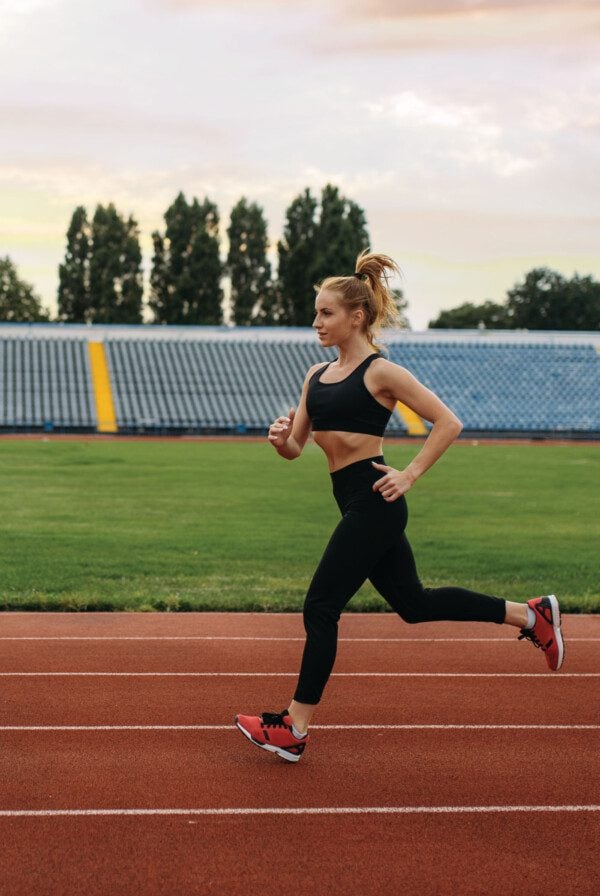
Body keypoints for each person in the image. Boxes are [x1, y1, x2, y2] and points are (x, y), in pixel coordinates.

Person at [235, 250, 564, 763]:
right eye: (316, 312)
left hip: (376, 502)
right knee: (414, 605)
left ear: (356, 317)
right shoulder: (314, 376)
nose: (316, 322)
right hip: (351, 503)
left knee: (321, 606)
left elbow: (449, 422)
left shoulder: (380, 372)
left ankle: (295, 726)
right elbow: (297, 448)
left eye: (326, 313)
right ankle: (531, 615)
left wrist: (409, 474)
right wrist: (279, 439)